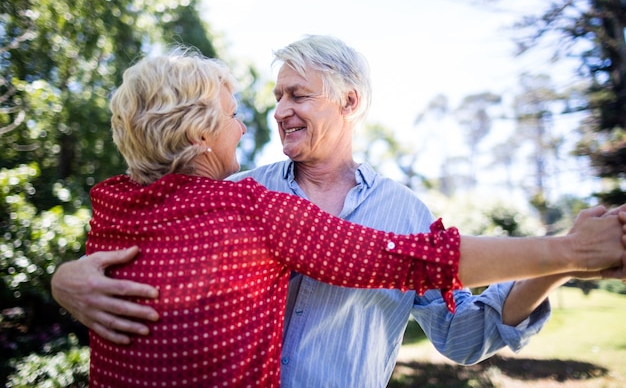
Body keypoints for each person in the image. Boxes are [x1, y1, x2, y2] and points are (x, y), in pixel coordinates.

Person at [52, 37, 626, 388]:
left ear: (349, 102)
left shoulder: (404, 211)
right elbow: (399, 262)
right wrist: (65, 282)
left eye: (297, 96)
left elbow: (461, 333)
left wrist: (563, 262)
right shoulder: (246, 196)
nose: (275, 113)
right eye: (274, 97)